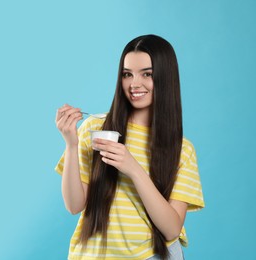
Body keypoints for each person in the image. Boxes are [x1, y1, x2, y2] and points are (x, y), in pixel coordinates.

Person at [54, 35, 204, 260]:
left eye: (147, 74)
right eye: (127, 74)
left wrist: (133, 168)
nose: (134, 84)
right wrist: (71, 144)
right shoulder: (96, 128)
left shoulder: (182, 149)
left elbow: (172, 229)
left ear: (165, 77)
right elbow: (74, 206)